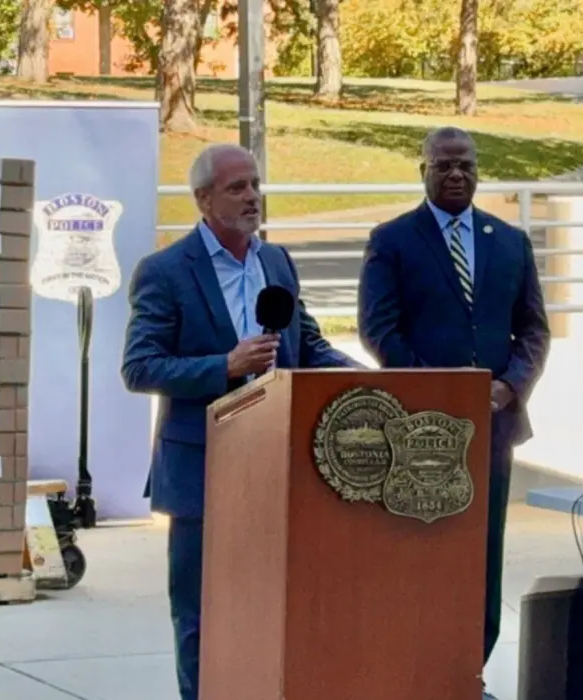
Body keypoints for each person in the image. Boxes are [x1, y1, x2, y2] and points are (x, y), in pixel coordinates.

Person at [121, 143, 361, 700]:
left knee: (277, 605)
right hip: (204, 468)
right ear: (204, 200)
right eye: (237, 188)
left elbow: (309, 344)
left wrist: (372, 378)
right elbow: (139, 366)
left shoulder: (276, 262)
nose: (253, 197)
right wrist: (224, 366)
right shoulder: (164, 271)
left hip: (283, 467)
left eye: (255, 184)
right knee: (203, 614)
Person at [356, 126, 550, 700]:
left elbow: (534, 329)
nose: (456, 174)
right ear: (423, 170)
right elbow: (379, 329)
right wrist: (433, 394)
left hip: (491, 429)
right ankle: (416, 672)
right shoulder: (392, 240)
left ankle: (470, 674)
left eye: (465, 164)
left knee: (482, 556)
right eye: (443, 166)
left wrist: (511, 386)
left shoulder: (510, 241)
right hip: (421, 433)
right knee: (425, 554)